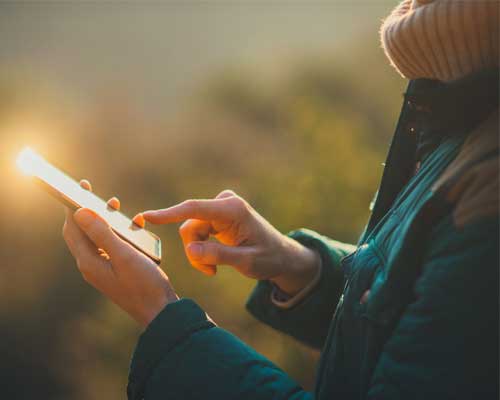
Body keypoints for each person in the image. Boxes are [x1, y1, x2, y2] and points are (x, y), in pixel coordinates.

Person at [62, 1, 499, 399]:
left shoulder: (487, 177)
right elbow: (419, 311)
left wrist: (166, 321)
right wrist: (299, 267)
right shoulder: (461, 92)